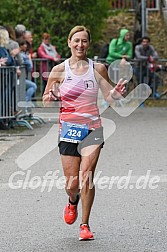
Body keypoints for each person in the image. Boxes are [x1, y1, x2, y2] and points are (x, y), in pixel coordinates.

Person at [43, 25, 126, 240]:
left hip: (92, 129)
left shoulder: (97, 69)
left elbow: (109, 97)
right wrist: (51, 96)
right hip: (68, 129)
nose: (80, 45)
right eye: (76, 40)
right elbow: (45, 99)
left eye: (84, 41)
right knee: (72, 184)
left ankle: (85, 225)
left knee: (87, 175)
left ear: (88, 44)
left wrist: (115, 93)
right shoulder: (59, 70)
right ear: (69, 42)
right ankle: (72, 201)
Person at [18, 38, 37, 106]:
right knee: (33, 86)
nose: (26, 46)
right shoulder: (23, 55)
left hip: (19, 77)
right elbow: (30, 67)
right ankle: (25, 104)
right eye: (24, 44)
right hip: (20, 78)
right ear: (21, 46)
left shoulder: (20, 54)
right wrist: (29, 58)